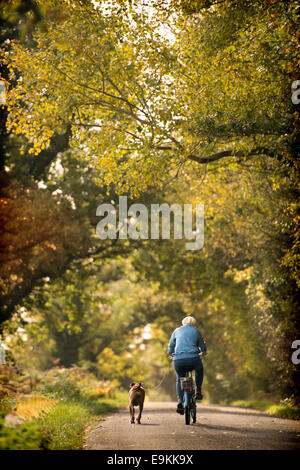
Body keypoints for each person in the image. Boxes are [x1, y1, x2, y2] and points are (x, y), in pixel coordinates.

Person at [168, 316, 207, 414]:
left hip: (178, 360)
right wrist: (203, 352)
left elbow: (171, 346)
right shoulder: (196, 331)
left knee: (180, 378)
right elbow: (202, 345)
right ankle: (198, 390)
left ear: (183, 323)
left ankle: (180, 400)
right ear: (194, 323)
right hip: (193, 358)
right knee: (199, 370)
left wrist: (171, 354)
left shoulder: (176, 331)